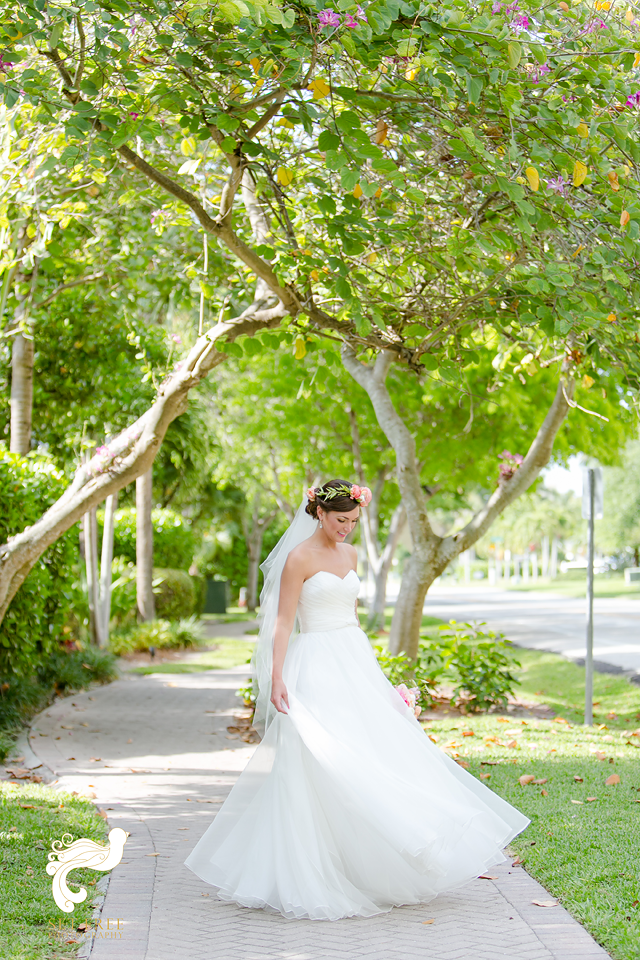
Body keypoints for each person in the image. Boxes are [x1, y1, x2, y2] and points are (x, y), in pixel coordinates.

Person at [185, 479, 529, 920]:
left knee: (374, 751)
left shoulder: (349, 555)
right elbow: (283, 624)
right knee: (319, 759)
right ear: (319, 514)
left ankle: (372, 864)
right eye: (340, 520)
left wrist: (379, 681)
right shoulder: (298, 559)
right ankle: (309, 869)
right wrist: (275, 678)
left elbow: (351, 618)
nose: (346, 528)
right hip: (314, 665)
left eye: (352, 521)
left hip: (352, 658)